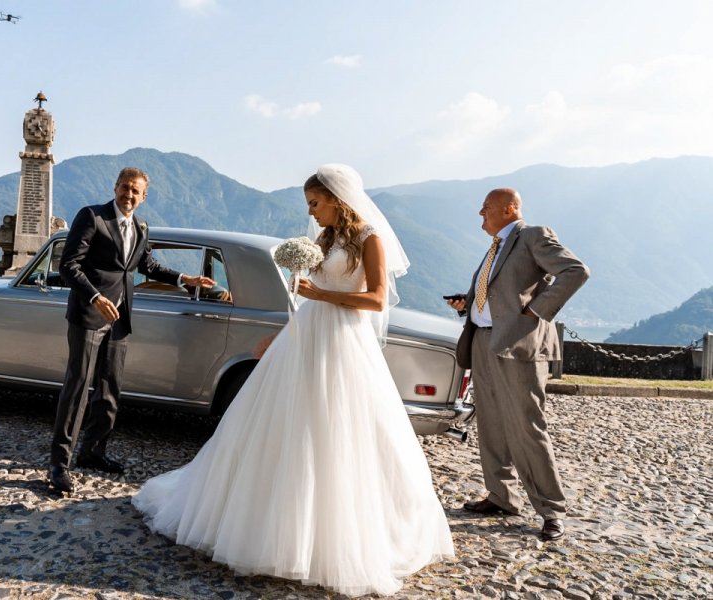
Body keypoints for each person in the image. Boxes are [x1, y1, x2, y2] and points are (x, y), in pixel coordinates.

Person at [132, 164, 454, 597]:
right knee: (286, 425)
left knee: (338, 428)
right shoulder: (327, 240)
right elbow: (310, 303)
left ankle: (334, 536)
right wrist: (280, 334)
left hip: (343, 344)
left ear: (338, 199)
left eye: (315, 203)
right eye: (309, 205)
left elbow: (377, 299)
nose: (312, 212)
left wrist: (322, 295)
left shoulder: (368, 238)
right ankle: (270, 521)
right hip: (307, 336)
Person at [48, 167, 215, 494]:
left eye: (135, 191)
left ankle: (93, 452)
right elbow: (68, 265)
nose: (129, 195)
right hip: (88, 315)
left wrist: (185, 280)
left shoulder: (140, 226)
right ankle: (59, 463)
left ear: (143, 197)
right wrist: (95, 298)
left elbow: (148, 266)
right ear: (115, 188)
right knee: (78, 388)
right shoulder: (92, 217)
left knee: (110, 390)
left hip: (119, 319)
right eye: (124, 188)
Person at [447, 188, 589, 541]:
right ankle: (501, 497)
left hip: (518, 345)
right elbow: (500, 292)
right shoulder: (496, 245)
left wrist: (537, 310)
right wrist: (468, 304)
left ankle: (551, 510)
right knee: (491, 424)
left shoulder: (533, 236)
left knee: (527, 428)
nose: (481, 214)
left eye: (487, 209)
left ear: (510, 209)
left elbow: (575, 271)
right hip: (482, 339)